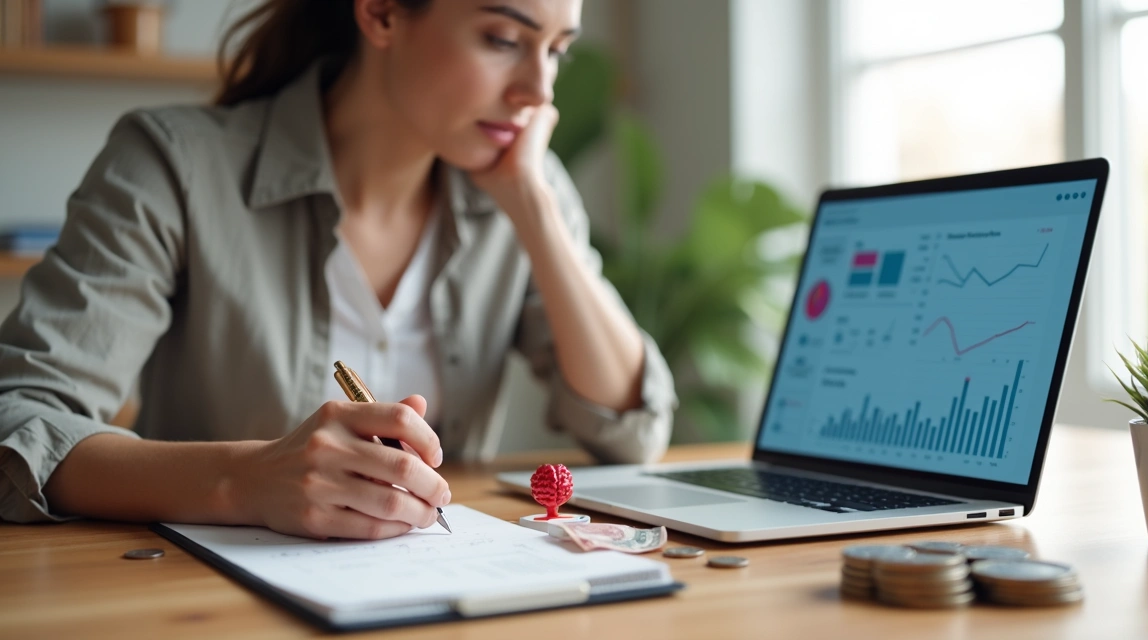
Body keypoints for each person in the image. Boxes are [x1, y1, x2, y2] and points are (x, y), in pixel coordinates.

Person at [0, 0, 675, 539]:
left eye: (558, 50)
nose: (539, 91)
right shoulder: (173, 164)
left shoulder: (520, 186)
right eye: (504, 38)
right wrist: (246, 479)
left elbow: (630, 427)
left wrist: (535, 206)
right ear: (381, 13)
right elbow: (19, 421)